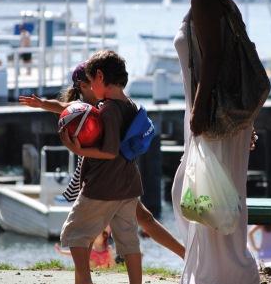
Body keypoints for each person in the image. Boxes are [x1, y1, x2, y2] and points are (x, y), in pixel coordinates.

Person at [156, 0, 260, 284]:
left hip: (209, 115)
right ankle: (223, 283)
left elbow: (214, 59)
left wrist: (199, 112)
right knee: (207, 196)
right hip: (220, 115)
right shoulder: (222, 3)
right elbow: (237, 62)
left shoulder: (204, 2)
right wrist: (244, 118)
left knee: (209, 199)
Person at [19, 62, 185, 261]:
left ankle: (184, 254)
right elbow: (63, 107)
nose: (100, 83)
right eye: (94, 81)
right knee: (89, 228)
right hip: (99, 177)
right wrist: (42, 104)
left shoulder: (108, 105)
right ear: (84, 86)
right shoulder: (83, 109)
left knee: (142, 219)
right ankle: (84, 275)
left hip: (117, 175)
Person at [59, 50, 147, 284]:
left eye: (90, 80)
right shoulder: (129, 104)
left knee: (74, 231)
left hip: (103, 186)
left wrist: (78, 150)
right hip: (129, 184)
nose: (91, 88)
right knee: (128, 240)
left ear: (99, 76)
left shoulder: (107, 109)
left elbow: (109, 151)